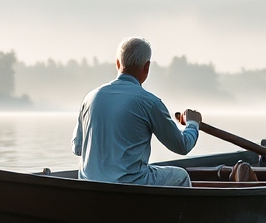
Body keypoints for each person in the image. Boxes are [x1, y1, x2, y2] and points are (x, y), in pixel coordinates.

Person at [71, 37, 202, 186]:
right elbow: (182, 146)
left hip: (88, 185)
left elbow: (77, 148)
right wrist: (193, 123)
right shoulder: (150, 103)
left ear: (118, 63)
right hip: (130, 185)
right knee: (181, 176)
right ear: (146, 67)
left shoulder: (90, 97)